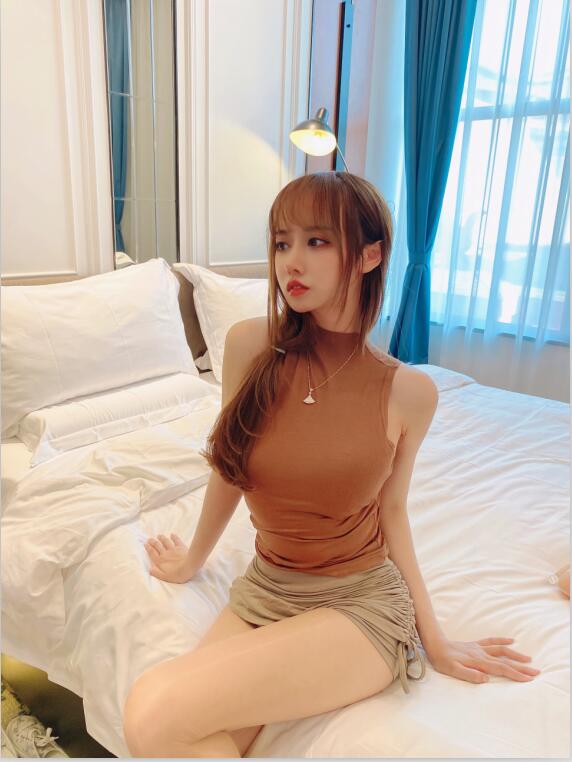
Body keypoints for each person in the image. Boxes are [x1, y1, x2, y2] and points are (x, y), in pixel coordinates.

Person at [122, 171, 541, 758]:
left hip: (360, 606)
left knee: (151, 710)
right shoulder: (248, 347)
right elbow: (230, 468)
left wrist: (434, 636)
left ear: (370, 255)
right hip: (265, 592)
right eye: (281, 242)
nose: (290, 261)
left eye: (316, 241)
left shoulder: (409, 392)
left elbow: (393, 512)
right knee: (174, 736)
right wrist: (192, 559)